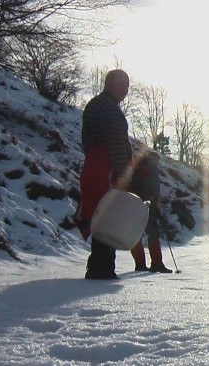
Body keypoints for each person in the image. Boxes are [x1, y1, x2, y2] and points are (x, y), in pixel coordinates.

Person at [75, 69, 133, 280]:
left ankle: (100, 265)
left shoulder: (97, 105)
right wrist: (121, 173)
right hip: (105, 168)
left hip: (95, 165)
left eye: (127, 86)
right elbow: (116, 143)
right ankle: (101, 268)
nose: (124, 89)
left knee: (101, 213)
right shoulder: (108, 109)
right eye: (120, 83)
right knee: (108, 216)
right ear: (107, 83)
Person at [130, 148, 173, 273]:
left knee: (135, 235)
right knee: (153, 233)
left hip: (133, 202)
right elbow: (154, 186)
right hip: (148, 204)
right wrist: (156, 203)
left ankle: (140, 264)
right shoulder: (152, 165)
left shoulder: (136, 164)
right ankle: (157, 264)